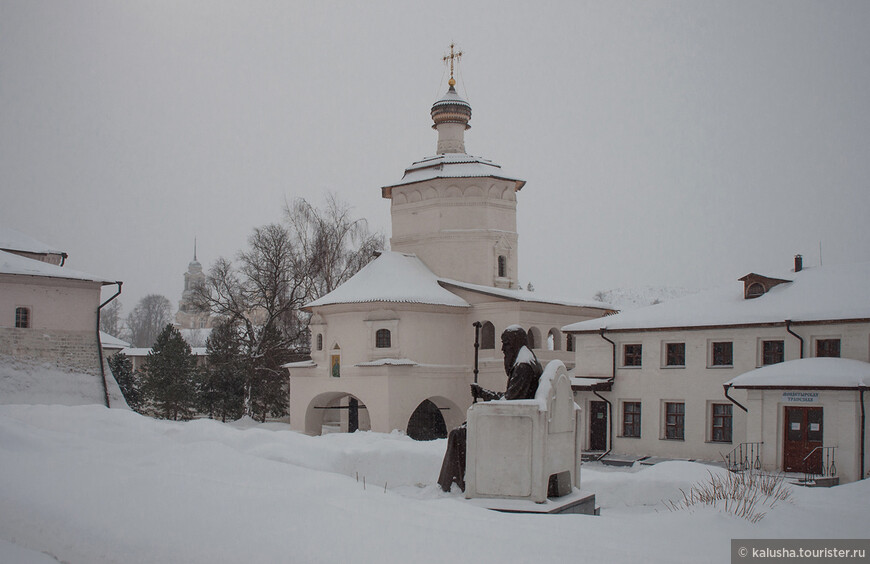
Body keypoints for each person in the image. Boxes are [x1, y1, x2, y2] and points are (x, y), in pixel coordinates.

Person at [437, 325, 543, 492]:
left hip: (514, 427)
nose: (502, 348)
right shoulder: (527, 360)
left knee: (458, 435)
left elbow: (509, 403)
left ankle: (455, 484)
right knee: (463, 430)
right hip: (519, 421)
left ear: (515, 343)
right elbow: (512, 398)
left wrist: (484, 396)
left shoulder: (523, 366)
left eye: (505, 343)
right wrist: (484, 393)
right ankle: (457, 481)